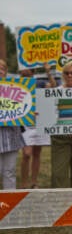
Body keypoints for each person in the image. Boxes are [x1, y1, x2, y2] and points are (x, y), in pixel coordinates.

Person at [20, 63, 56, 189]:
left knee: (37, 153)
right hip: (25, 122)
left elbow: (53, 88)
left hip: (40, 120)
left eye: (26, 66)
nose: (24, 68)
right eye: (22, 66)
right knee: (27, 153)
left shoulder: (40, 83)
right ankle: (24, 183)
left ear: (32, 69)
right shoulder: (16, 82)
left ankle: (34, 182)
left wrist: (48, 72)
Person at [0, 59, 25, 189]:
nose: (0, 71)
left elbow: (24, 107)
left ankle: (10, 201)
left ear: (6, 71)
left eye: (2, 68)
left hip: (11, 136)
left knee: (9, 171)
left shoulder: (15, 86)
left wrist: (30, 114)